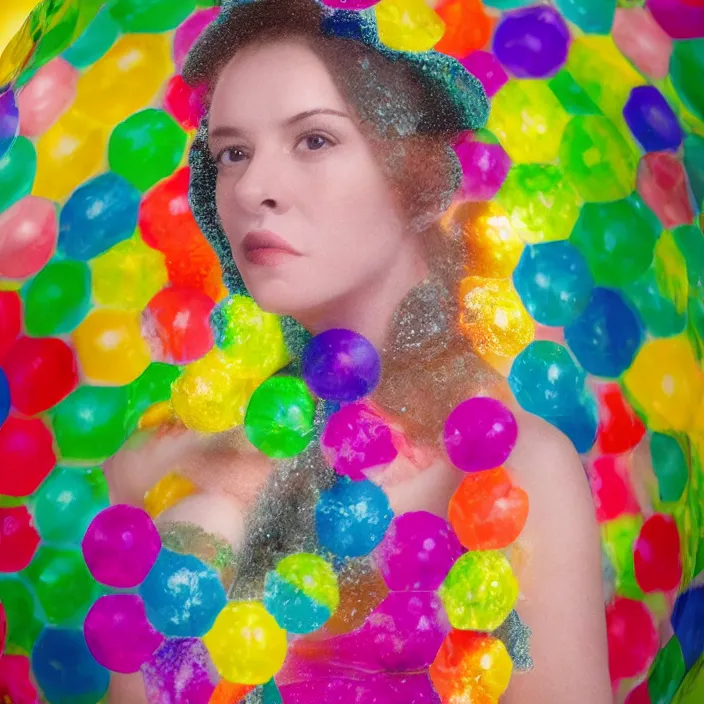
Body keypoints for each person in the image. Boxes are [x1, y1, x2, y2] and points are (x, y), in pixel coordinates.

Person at [107, 0, 611, 701]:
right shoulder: (202, 462)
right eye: (231, 153)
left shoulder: (515, 473)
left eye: (314, 140)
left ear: (419, 176)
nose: (252, 189)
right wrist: (178, 522)